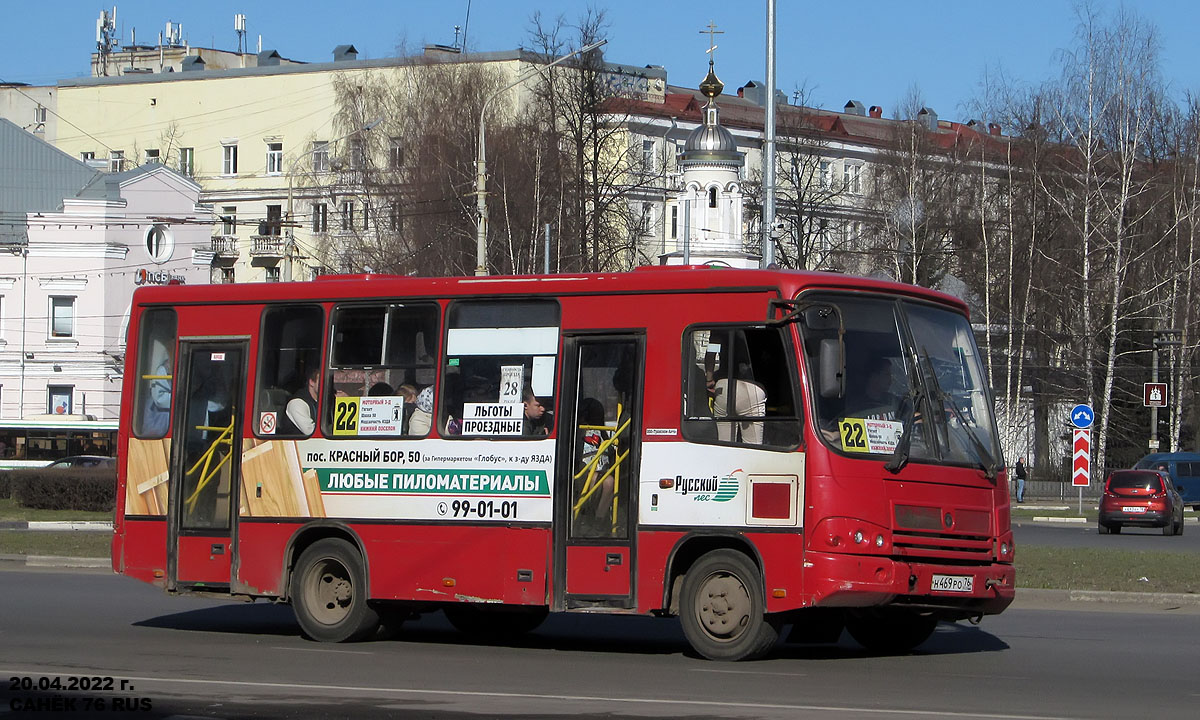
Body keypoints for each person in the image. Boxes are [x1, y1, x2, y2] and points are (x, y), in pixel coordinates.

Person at [279, 367, 319, 436]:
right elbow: (312, 432)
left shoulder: (323, 402)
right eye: (322, 381)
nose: (327, 384)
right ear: (312, 382)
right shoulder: (297, 403)